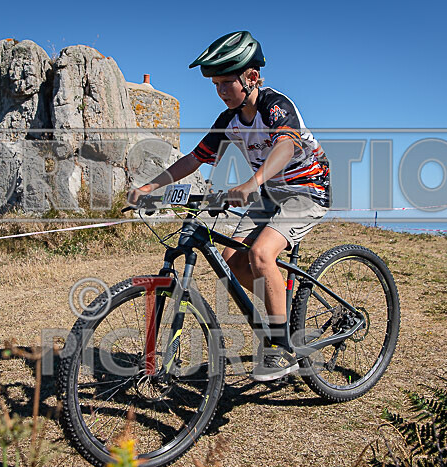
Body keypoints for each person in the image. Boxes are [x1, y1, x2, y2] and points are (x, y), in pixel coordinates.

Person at [128, 31, 330, 381]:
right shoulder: (228, 121)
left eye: (226, 83)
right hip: (269, 192)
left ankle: (283, 351)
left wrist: (252, 183)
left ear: (251, 77)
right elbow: (194, 159)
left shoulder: (275, 105)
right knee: (235, 264)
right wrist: (150, 185)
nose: (221, 91)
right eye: (216, 85)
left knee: (262, 255)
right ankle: (278, 301)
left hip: (306, 188)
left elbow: (284, 147)